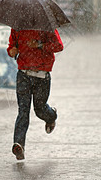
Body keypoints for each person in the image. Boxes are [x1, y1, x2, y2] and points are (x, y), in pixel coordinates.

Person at [7, 28, 64, 160]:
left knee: (39, 109)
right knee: (23, 111)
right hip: (23, 75)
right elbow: (11, 48)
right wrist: (12, 51)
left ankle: (51, 116)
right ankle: (19, 145)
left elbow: (59, 46)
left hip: (42, 76)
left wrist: (40, 45)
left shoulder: (46, 27)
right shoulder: (17, 27)